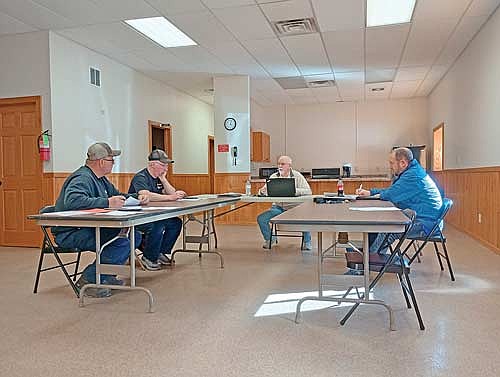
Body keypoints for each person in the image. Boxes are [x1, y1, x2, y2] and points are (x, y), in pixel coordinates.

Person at [52, 142, 147, 298]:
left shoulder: (101, 179)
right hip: (71, 231)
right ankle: (89, 280)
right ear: (102, 162)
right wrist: (107, 202)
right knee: (125, 238)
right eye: (112, 160)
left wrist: (137, 198)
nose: (114, 163)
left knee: (132, 236)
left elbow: (117, 195)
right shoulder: (82, 177)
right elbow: (73, 201)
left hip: (89, 227)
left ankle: (105, 276)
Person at [356, 147, 443, 254]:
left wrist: (371, 193)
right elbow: (393, 191)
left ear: (402, 163)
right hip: (423, 217)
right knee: (380, 221)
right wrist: (370, 192)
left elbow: (391, 194)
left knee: (389, 228)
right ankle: (367, 253)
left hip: (427, 224)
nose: (390, 167)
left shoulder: (413, 175)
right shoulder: (412, 171)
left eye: (392, 163)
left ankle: (370, 260)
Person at [128, 149, 185, 270]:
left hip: (154, 214)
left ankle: (159, 252)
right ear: (152, 164)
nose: (166, 168)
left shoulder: (159, 178)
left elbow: (172, 193)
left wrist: (164, 180)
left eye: (167, 166)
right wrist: (170, 197)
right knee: (157, 226)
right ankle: (149, 257)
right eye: (163, 165)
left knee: (176, 223)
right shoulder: (141, 177)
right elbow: (146, 194)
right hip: (138, 217)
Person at [257, 155, 312, 250]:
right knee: (261, 219)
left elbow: (308, 191)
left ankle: (307, 242)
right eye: (278, 164)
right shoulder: (273, 176)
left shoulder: (297, 176)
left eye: (282, 164)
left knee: (304, 219)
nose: (279, 166)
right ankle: (270, 239)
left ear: (289, 166)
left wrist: (294, 190)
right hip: (278, 208)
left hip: (294, 208)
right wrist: (261, 191)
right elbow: (264, 190)